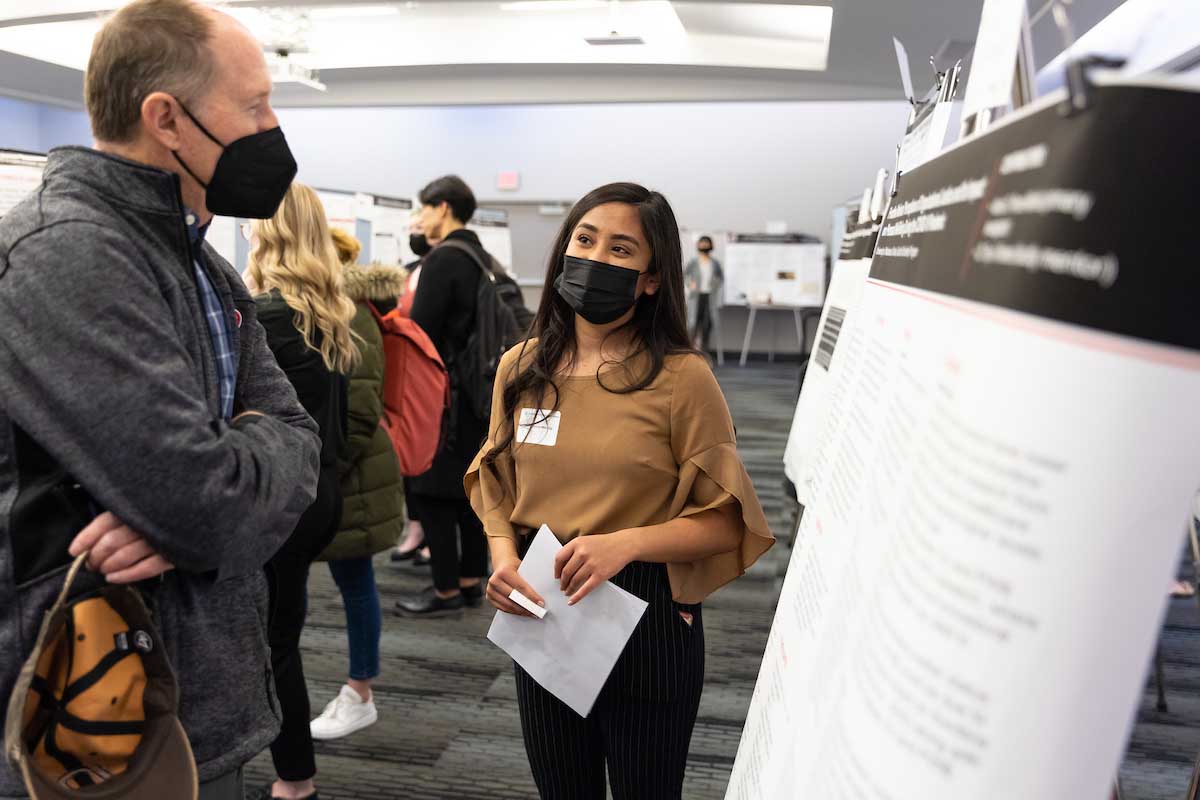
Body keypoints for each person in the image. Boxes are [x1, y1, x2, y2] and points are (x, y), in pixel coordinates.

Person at [0, 2, 320, 798]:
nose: (272, 126)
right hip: (89, 720)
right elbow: (205, 501)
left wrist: (217, 485)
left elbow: (300, 440)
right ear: (167, 119)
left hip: (200, 695)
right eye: (253, 105)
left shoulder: (206, 269)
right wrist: (213, 492)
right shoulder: (64, 253)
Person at [466, 183, 774, 799]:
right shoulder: (521, 368)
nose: (595, 258)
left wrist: (625, 545)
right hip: (543, 599)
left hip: (645, 609)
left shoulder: (683, 378)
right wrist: (503, 558)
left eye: (621, 249)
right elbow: (495, 483)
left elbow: (727, 522)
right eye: (584, 239)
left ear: (652, 278)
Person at [245, 183, 359, 800]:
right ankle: (294, 775)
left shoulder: (263, 318)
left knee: (272, 644)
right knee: (281, 633)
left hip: (280, 501)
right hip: (320, 496)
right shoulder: (326, 314)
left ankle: (294, 780)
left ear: (271, 231)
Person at [308, 229, 405, 741]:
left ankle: (359, 693)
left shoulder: (353, 311)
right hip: (334, 470)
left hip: (351, 475)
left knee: (354, 581)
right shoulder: (325, 307)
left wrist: (321, 473)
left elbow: (360, 409)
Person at [394, 175, 494, 617]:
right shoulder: (480, 256)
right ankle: (473, 578)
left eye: (426, 208)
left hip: (443, 394)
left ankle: (447, 589)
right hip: (478, 391)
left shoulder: (443, 260)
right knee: (470, 487)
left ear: (445, 207)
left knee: (431, 488)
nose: (422, 218)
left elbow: (421, 334)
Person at [392, 213, 438, 565]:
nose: (415, 234)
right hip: (403, 370)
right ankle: (415, 528)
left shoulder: (443, 266)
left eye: (418, 228)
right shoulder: (408, 269)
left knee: (431, 459)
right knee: (407, 452)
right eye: (410, 230)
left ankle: (433, 538)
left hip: (429, 373)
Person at [684, 235, 724, 354]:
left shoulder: (715, 263)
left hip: (709, 297)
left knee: (707, 325)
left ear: (711, 245)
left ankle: (704, 353)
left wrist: (715, 285)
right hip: (696, 297)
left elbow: (720, 278)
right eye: (702, 243)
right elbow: (685, 275)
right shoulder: (693, 262)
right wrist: (690, 284)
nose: (704, 245)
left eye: (707, 243)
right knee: (692, 324)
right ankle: (689, 352)